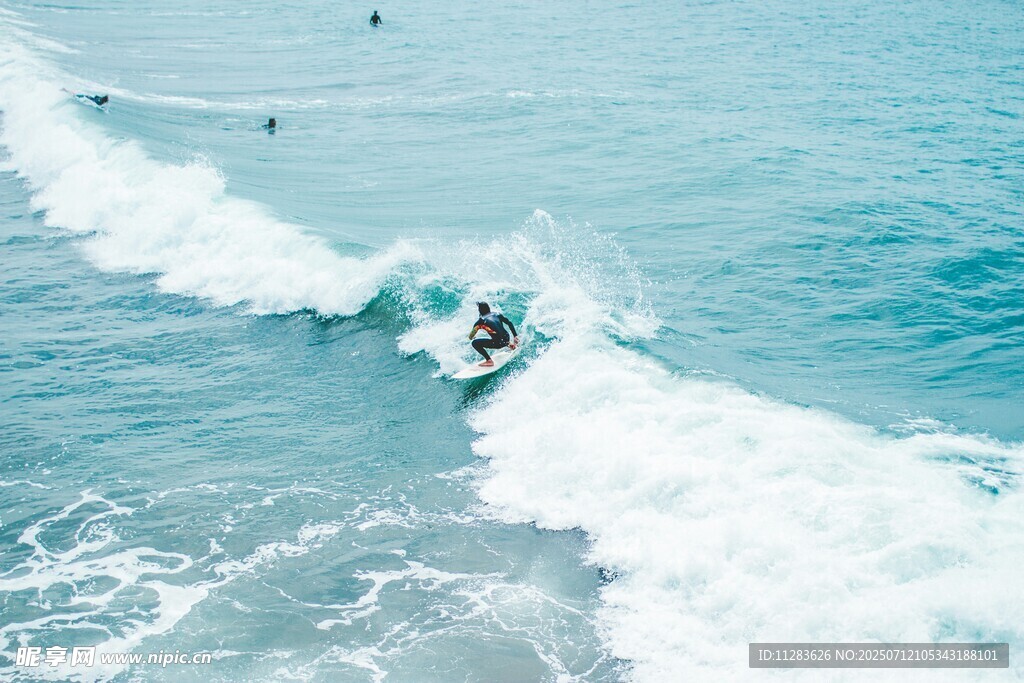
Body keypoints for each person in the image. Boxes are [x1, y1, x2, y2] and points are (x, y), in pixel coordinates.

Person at [468, 302, 519, 367]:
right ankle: (509, 344)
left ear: (480, 311)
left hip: (498, 343)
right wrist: (515, 336)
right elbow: (509, 323)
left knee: (474, 343)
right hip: (507, 337)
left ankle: (489, 361)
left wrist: (473, 337)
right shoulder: (497, 314)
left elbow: (470, 336)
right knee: (499, 334)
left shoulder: (480, 321)